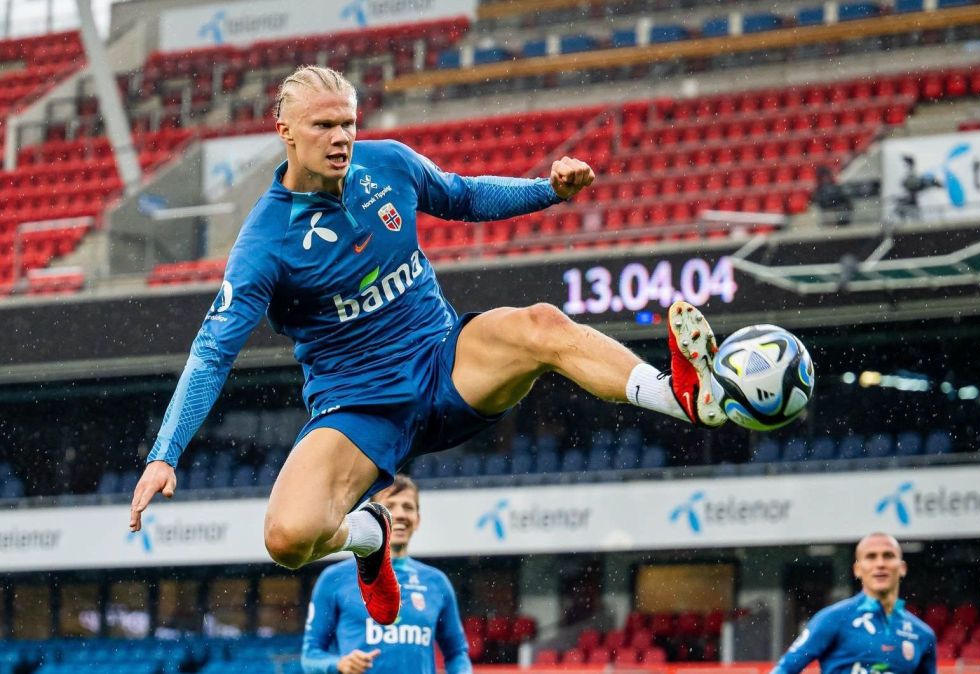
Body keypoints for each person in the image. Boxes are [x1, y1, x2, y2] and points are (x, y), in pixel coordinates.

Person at [128, 65, 727, 626]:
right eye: (323, 126)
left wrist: (549, 190)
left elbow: (463, 196)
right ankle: (369, 536)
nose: (340, 138)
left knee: (541, 324)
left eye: (348, 124)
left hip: (445, 362)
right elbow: (212, 353)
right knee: (287, 540)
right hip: (358, 407)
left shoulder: (387, 165)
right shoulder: (265, 242)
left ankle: (681, 395)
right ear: (283, 131)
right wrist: (165, 453)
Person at [302, 475, 468, 674]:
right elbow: (310, 656)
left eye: (408, 507)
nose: (399, 514)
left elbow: (457, 653)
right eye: (389, 506)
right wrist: (338, 664)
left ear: (418, 520)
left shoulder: (437, 583)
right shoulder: (334, 579)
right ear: (372, 521)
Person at [771, 533, 936, 674]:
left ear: (902, 568)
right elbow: (784, 670)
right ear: (857, 569)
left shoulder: (922, 634)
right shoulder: (832, 619)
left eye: (888, 556)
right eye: (871, 557)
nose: (880, 564)